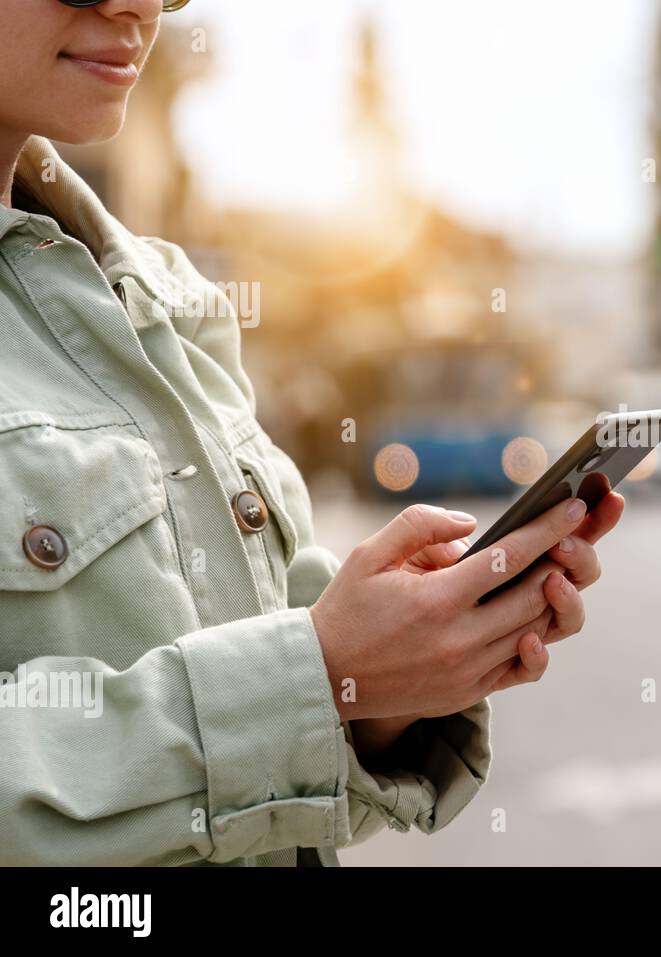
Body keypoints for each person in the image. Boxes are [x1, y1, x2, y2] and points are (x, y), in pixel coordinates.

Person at [0, 0, 624, 866]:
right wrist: (316, 671)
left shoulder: (167, 302)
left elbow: (278, 789)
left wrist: (396, 677)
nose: (137, 5)